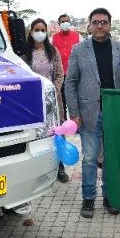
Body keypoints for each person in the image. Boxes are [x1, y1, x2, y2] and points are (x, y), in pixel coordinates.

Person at [65, 8, 120, 218]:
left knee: (111, 158)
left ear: (110, 24)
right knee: (90, 158)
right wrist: (74, 113)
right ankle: (88, 199)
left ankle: (110, 197)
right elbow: (71, 82)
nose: (100, 26)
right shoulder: (79, 49)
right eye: (96, 22)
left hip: (115, 114)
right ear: (89, 25)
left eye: (104, 22)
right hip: (89, 113)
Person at [51, 14, 81, 183]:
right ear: (59, 23)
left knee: (74, 105)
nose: (65, 24)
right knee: (59, 115)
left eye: (67, 21)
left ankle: (76, 125)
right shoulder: (53, 38)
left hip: (73, 77)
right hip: (57, 81)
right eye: (62, 21)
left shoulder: (77, 36)